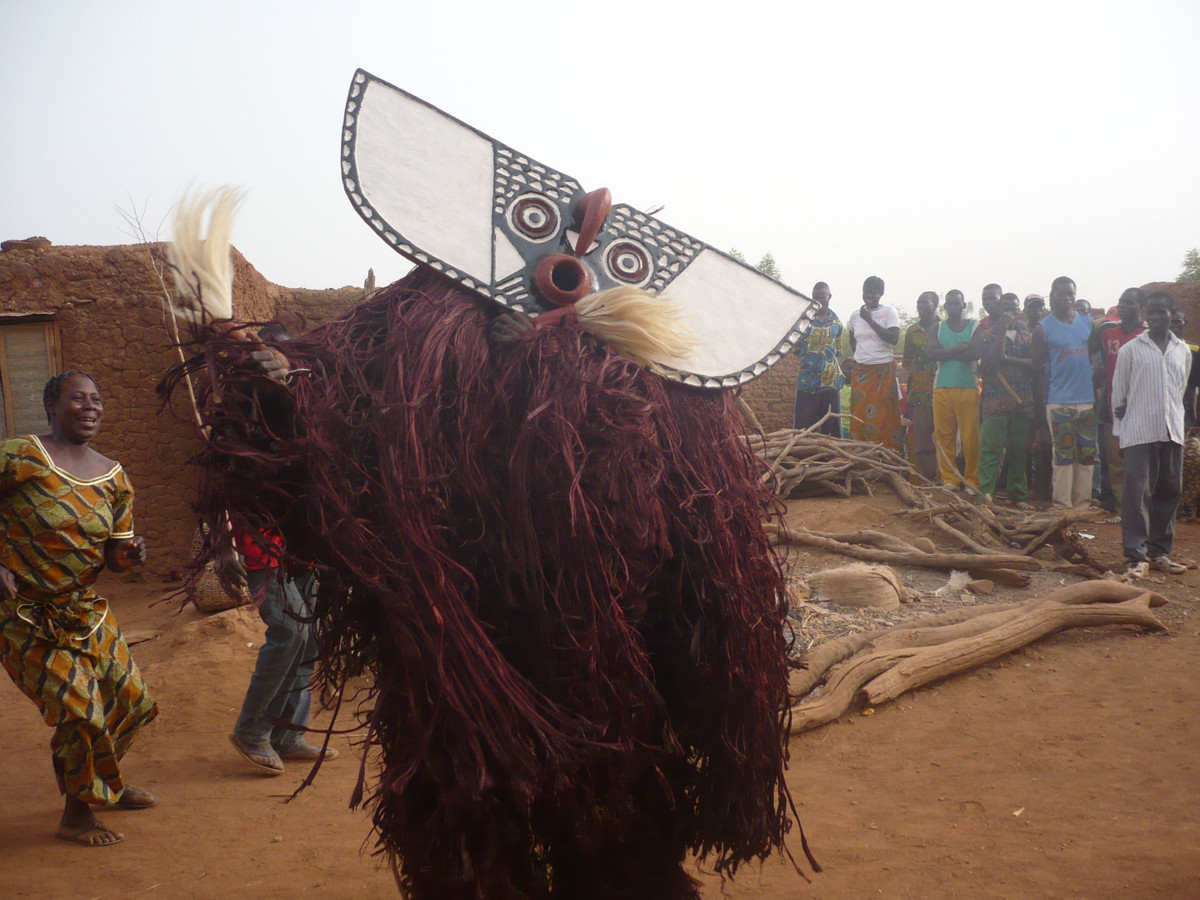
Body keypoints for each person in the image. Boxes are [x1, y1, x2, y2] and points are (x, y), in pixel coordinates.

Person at [0, 372, 158, 846]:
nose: (91, 407)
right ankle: (77, 814)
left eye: (97, 399)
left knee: (132, 701)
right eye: (77, 399)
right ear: (51, 405)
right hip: (25, 615)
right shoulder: (23, 456)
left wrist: (130, 557)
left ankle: (103, 778)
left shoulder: (113, 475)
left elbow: (115, 553)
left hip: (84, 611)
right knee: (79, 709)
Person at [224, 323, 338, 775]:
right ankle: (252, 731)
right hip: (261, 544)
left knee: (308, 636)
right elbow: (219, 482)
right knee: (288, 631)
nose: (281, 368)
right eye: (274, 358)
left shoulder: (307, 414)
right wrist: (222, 550)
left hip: (304, 544)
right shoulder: (241, 413)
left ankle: (289, 734)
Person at [1111, 291, 1193, 577]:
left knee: (1169, 492)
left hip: (1171, 431)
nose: (1157, 317)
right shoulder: (1130, 350)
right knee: (1137, 495)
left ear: (1172, 313)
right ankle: (1136, 556)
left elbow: (1178, 392)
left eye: (1162, 312)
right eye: (1152, 312)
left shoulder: (1182, 351)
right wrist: (1121, 434)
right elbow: (1118, 397)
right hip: (1138, 432)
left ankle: (1160, 552)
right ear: (1145, 314)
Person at [1032, 276, 1096, 508]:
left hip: (1086, 399)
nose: (1067, 298)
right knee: (1063, 455)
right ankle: (1062, 506)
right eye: (1062, 294)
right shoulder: (1043, 328)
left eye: (1071, 294)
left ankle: (1083, 504)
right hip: (1059, 400)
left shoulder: (1087, 322)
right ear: (1052, 296)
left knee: (1087, 455)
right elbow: (1038, 364)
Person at [975, 293, 1036, 507]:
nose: (1009, 313)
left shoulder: (1026, 334)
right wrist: (1001, 331)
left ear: (1019, 309)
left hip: (1022, 400)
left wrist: (1009, 359)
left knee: (1019, 451)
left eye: (1013, 308)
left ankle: (1018, 496)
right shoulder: (987, 335)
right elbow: (990, 362)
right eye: (1005, 309)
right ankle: (985, 494)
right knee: (990, 450)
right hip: (994, 400)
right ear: (998, 311)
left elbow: (1034, 363)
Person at [1089, 288, 1145, 517]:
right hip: (1112, 406)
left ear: (1140, 306)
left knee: (1138, 464)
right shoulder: (1106, 331)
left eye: (1129, 302)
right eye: (1121, 301)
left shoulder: (1147, 335)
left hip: (1141, 409)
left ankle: (1140, 510)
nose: (1122, 305)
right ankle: (1123, 511)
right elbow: (1093, 355)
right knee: (1114, 461)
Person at [928, 289, 979, 490]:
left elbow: (975, 353)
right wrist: (959, 348)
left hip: (968, 386)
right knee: (943, 435)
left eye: (956, 303)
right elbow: (931, 353)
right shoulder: (937, 328)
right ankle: (950, 479)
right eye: (949, 304)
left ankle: (972, 480)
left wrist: (945, 353)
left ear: (963, 305)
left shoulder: (974, 326)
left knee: (970, 437)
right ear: (945, 306)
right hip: (942, 387)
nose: (952, 307)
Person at [847, 275, 903, 450]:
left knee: (884, 417)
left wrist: (870, 320)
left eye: (873, 293)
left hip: (883, 371)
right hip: (862, 372)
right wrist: (860, 357)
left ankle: (886, 458)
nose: (869, 296)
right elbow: (852, 339)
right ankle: (860, 458)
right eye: (866, 292)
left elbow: (893, 338)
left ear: (881, 294)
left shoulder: (888, 312)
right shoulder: (855, 315)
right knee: (859, 415)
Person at [791, 281, 845, 436]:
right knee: (804, 428)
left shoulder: (837, 323)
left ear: (830, 297)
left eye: (822, 297)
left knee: (832, 427)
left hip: (830, 382)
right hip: (807, 381)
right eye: (815, 297)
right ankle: (801, 457)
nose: (819, 301)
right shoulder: (803, 321)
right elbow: (795, 349)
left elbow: (837, 352)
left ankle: (834, 458)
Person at [903, 291, 941, 480]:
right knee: (922, 438)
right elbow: (907, 362)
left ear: (935, 304)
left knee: (946, 436)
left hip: (943, 387)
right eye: (918, 302)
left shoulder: (945, 328)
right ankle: (928, 478)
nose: (920, 306)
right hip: (919, 392)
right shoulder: (912, 332)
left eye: (924, 302)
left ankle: (949, 478)